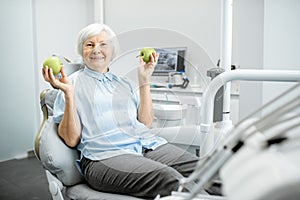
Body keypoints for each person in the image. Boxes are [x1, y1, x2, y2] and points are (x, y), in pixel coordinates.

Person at [42, 23, 199, 199]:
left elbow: (146, 123)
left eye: (103, 44)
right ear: (82, 50)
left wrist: (144, 79)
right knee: (170, 179)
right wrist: (69, 95)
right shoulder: (71, 85)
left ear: (112, 51)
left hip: (146, 146)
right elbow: (71, 139)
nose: (96, 49)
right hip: (104, 158)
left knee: (202, 168)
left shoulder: (124, 84)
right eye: (89, 44)